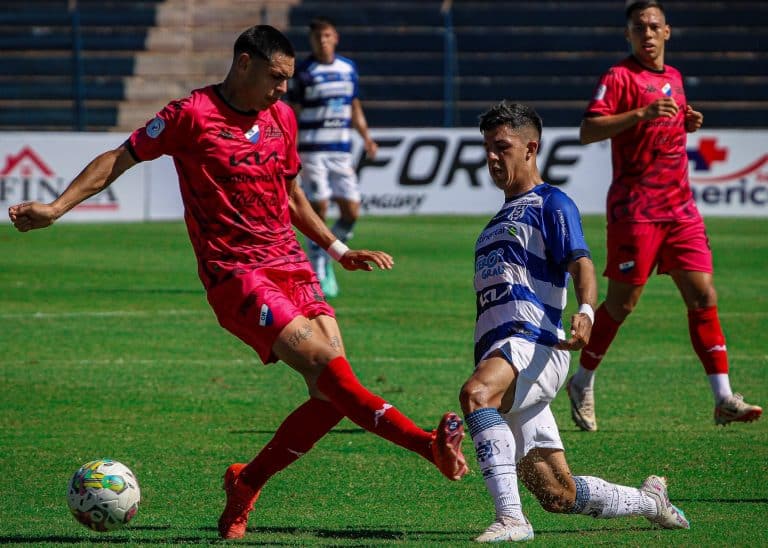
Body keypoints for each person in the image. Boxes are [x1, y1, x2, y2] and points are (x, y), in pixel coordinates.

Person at [8, 25, 468, 540]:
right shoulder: (189, 116)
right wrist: (55, 208)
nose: (283, 89)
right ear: (244, 63)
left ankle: (245, 483)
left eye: (288, 80)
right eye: (276, 77)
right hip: (237, 275)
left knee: (328, 394)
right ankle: (427, 444)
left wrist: (337, 249)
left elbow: (291, 194)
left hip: (291, 265)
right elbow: (119, 158)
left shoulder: (282, 118)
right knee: (328, 368)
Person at [459, 101, 689, 542]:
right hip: (504, 352)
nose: (491, 157)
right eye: (487, 147)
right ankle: (650, 501)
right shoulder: (494, 222)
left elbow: (580, 262)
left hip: (534, 346)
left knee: (476, 395)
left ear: (531, 149)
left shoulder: (552, 202)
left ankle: (512, 520)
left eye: (501, 147)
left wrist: (585, 311)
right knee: (557, 494)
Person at [567, 0, 762, 432]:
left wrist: (684, 123)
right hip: (636, 208)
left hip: (681, 209)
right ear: (629, 35)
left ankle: (723, 397)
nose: (648, 34)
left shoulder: (673, 77)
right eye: (640, 28)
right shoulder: (619, 76)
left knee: (703, 295)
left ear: (668, 32)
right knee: (622, 304)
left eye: (655, 26)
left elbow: (662, 126)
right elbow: (588, 130)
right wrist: (642, 113)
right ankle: (582, 380)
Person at [287, 15, 378, 298]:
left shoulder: (348, 69)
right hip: (313, 150)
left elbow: (354, 106)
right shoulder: (303, 72)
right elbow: (293, 113)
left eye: (326, 36)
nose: (322, 41)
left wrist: (365, 136)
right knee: (320, 208)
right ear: (312, 41)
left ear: (335, 37)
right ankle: (318, 265)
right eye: (317, 37)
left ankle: (327, 249)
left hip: (340, 151)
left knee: (351, 210)